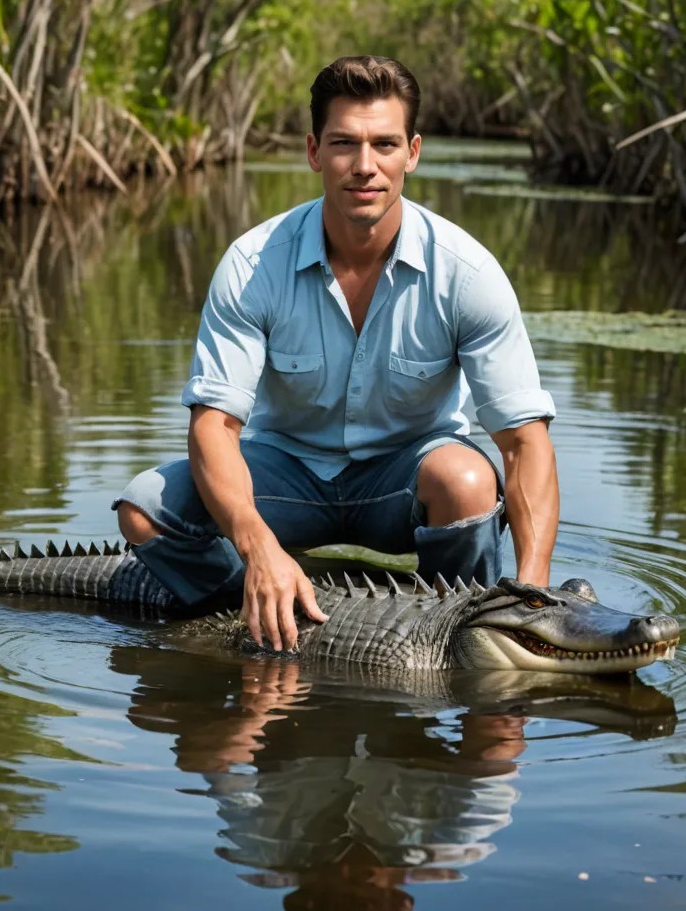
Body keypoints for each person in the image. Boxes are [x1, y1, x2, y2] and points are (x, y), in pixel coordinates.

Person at [113, 55, 558, 652]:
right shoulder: (252, 265)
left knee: (470, 480)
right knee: (144, 509)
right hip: (286, 474)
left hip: (405, 479)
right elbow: (213, 427)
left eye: (384, 144)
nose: (365, 166)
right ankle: (251, 612)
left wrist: (532, 597)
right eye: (344, 143)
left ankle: (460, 633)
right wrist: (258, 545)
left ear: (414, 153)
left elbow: (523, 440)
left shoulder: (467, 273)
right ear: (314, 152)